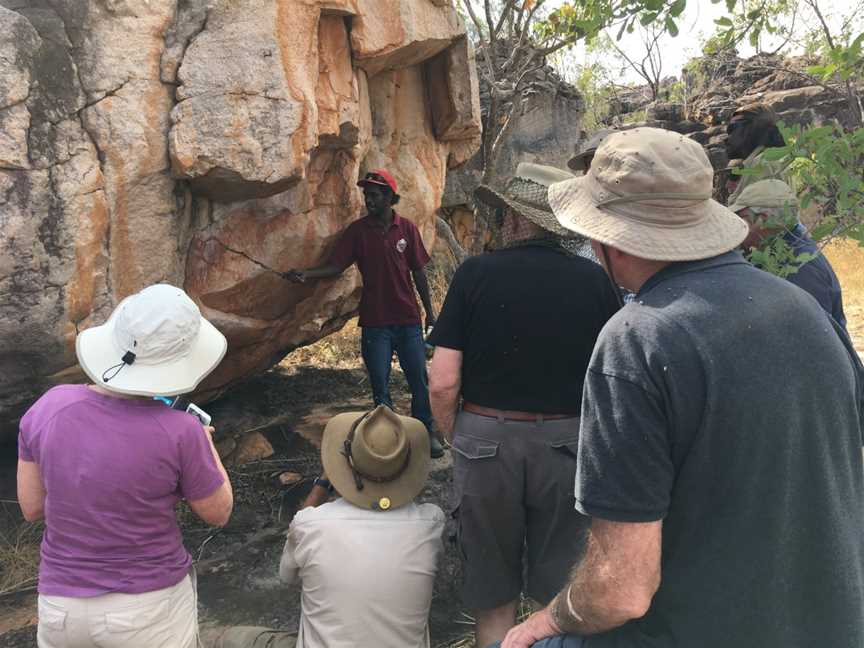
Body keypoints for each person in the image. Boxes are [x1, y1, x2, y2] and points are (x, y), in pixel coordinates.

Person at [498, 127, 864, 648]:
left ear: (606, 240)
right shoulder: (805, 308)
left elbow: (620, 590)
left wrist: (550, 617)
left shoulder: (638, 338)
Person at [428, 163, 620, 647]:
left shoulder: (475, 274)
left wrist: (459, 434)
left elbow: (443, 381)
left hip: (485, 438)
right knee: (557, 586)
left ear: (515, 219)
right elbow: (613, 374)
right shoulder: (595, 282)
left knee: (492, 588)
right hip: (568, 442)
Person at [17, 283, 233, 648]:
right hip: (147, 610)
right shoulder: (182, 431)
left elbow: (32, 507)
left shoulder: (49, 406)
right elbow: (218, 512)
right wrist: (206, 446)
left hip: (61, 607)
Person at [208, 405, 444, 648]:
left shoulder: (311, 524)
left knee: (231, 639)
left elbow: (286, 576)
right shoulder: (431, 523)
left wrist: (323, 482)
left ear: (343, 465)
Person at [284, 169, 443, 458]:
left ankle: (427, 431)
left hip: (408, 320)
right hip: (375, 323)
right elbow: (335, 266)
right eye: (366, 194)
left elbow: (419, 272)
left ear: (390, 198)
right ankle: (390, 439)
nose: (368, 200)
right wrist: (306, 275)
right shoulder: (357, 232)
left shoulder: (406, 229)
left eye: (374, 195)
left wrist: (430, 314)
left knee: (419, 380)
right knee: (380, 386)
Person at [730, 178, 847, 328]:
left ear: (764, 219)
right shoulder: (782, 250)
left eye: (743, 218)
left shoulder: (800, 265)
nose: (737, 225)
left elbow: (813, 334)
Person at [725, 103, 787, 205]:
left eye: (733, 129)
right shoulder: (762, 161)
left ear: (753, 129)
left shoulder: (763, 165)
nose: (726, 138)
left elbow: (756, 217)